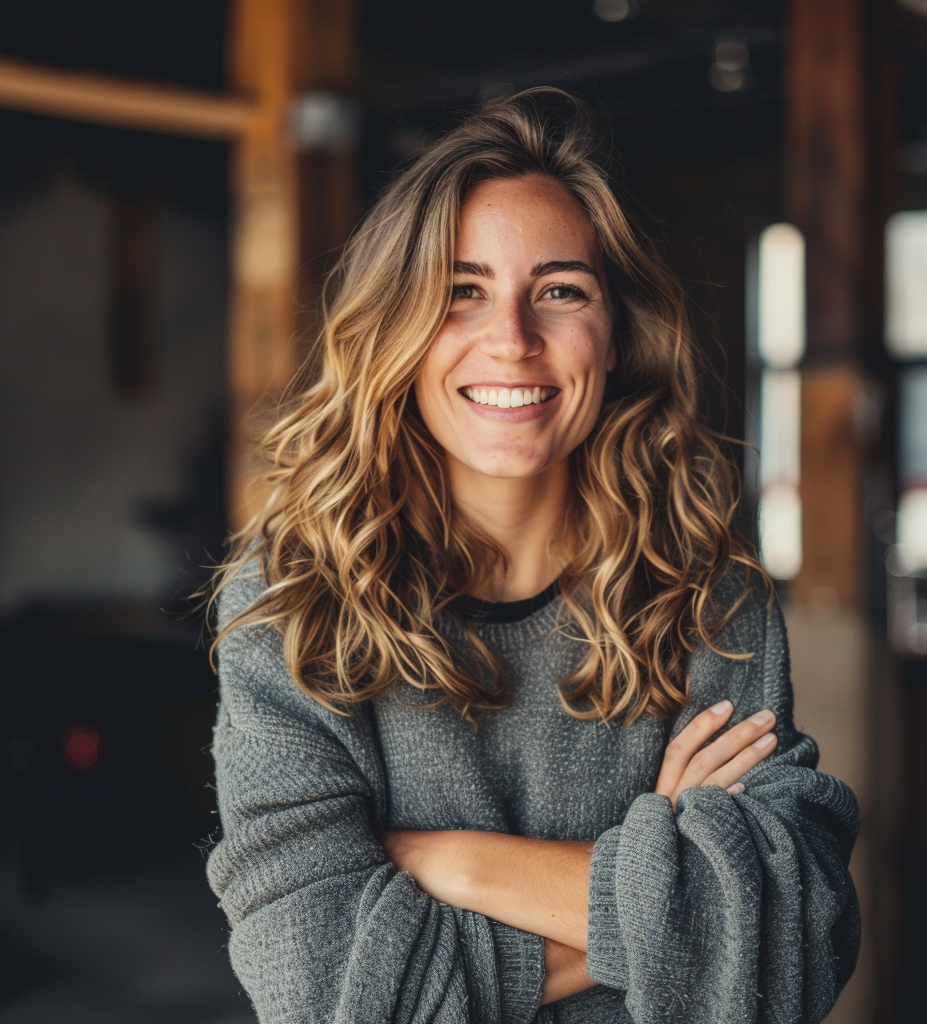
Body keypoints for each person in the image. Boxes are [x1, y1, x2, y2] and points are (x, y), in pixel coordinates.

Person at [206, 88, 860, 1024]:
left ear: (616, 327)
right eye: (460, 292)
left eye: (560, 290)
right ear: (395, 326)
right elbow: (317, 991)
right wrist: (666, 890)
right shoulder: (295, 598)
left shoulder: (703, 590)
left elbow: (792, 948)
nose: (512, 341)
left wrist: (449, 861)